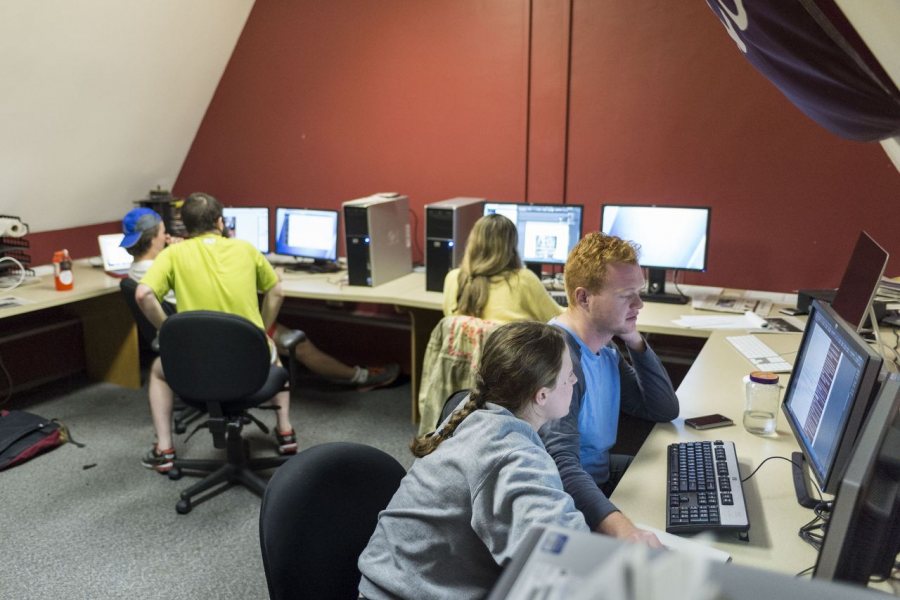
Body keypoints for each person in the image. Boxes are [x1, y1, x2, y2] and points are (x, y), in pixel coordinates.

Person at [358, 321, 588, 600]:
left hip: (391, 586)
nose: (574, 381)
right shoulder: (509, 452)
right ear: (542, 395)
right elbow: (568, 561)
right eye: (568, 376)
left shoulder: (474, 415)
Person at [120, 207, 400, 392]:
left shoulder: (139, 272)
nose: (169, 236)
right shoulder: (169, 262)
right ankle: (357, 377)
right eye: (164, 233)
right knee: (298, 343)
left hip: (196, 337)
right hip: (229, 328)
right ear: (156, 237)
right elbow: (271, 288)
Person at [134, 194, 298, 471]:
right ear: (220, 222)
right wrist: (263, 330)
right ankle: (285, 432)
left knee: (157, 372)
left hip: (196, 366)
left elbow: (143, 294)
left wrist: (167, 331)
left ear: (185, 227)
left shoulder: (172, 254)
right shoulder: (245, 249)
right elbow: (277, 290)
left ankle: (164, 449)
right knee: (274, 357)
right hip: (249, 363)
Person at [539, 232, 679, 545]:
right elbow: (561, 468)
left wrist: (634, 339)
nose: (639, 304)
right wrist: (623, 529)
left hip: (599, 477)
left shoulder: (604, 350)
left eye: (639, 293)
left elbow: (662, 408)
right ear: (583, 298)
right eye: (626, 296)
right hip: (571, 502)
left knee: (682, 480)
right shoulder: (558, 360)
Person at [442, 213, 562, 323]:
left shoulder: (454, 278)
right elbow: (559, 320)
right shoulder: (523, 279)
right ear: (511, 248)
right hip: (509, 341)